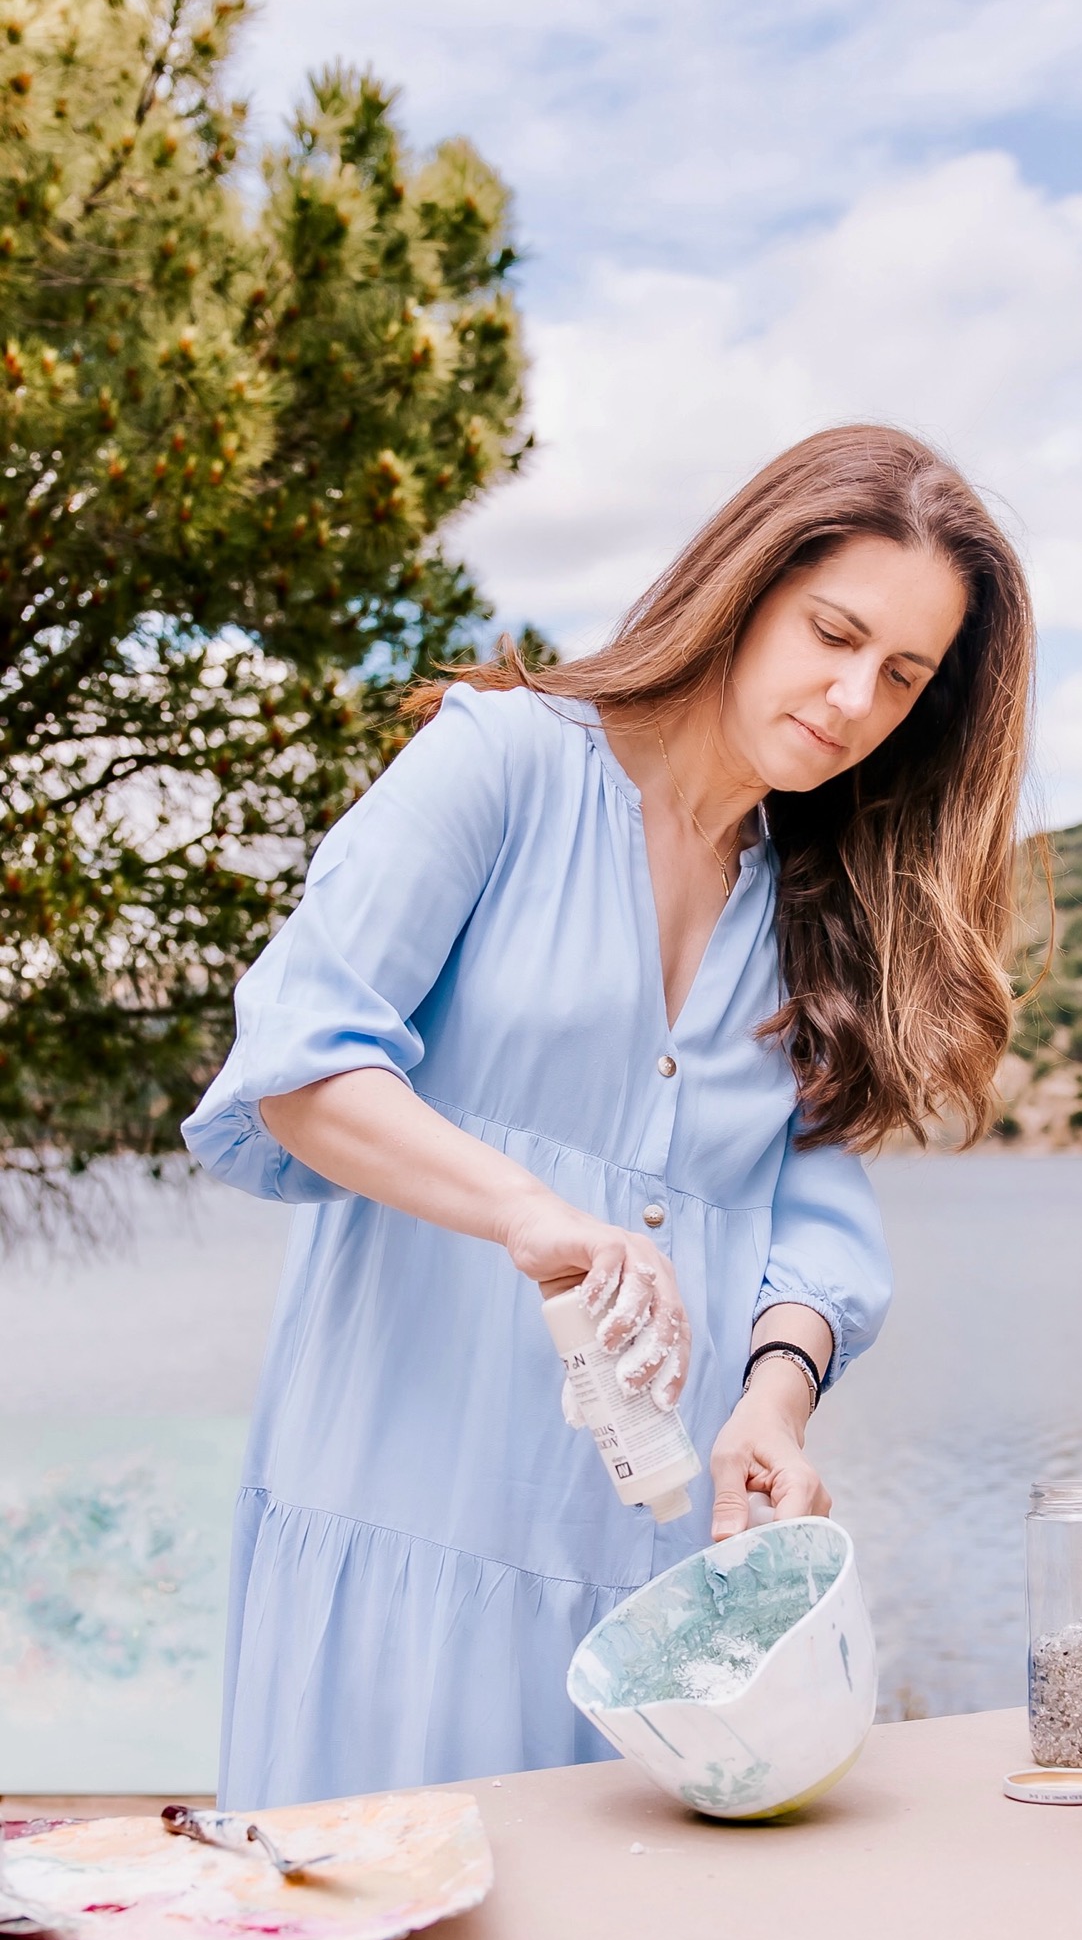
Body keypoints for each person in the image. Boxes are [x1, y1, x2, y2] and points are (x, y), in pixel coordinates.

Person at [184, 424, 1035, 1806]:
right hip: (406, 1521)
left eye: (901, 676)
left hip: (652, 1591)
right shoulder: (502, 765)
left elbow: (813, 1217)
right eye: (832, 632)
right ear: (747, 585)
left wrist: (773, 1403)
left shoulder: (818, 903)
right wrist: (528, 1210)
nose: (850, 697)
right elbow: (299, 1066)